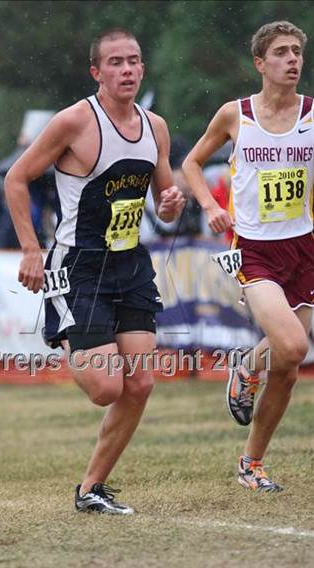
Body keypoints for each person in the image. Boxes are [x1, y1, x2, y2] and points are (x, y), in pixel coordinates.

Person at [5, 28, 185, 514]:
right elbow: (16, 178)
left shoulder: (156, 127)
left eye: (134, 62)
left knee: (141, 382)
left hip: (131, 265)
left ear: (143, 68)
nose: (127, 70)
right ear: (97, 72)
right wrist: (29, 249)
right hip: (78, 267)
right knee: (107, 387)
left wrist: (171, 203)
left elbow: (166, 207)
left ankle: (91, 489)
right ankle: (66, 331)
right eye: (116, 63)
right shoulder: (75, 121)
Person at [183, 21, 313, 492]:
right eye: (281, 52)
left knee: (287, 367)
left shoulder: (313, 113)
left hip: (306, 246)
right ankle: (245, 366)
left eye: (297, 51)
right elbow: (192, 163)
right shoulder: (235, 114)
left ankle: (251, 464)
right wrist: (210, 205)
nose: (293, 59)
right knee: (295, 345)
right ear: (261, 64)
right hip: (253, 249)